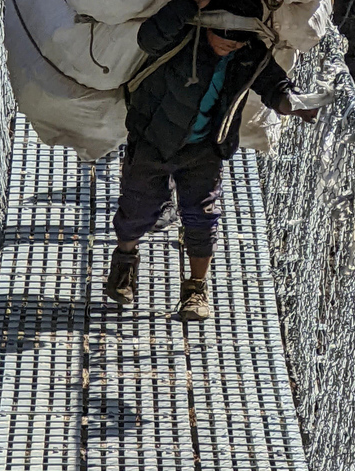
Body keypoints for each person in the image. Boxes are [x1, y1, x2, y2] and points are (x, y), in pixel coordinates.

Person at [105, 0, 319, 320]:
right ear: (206, 24)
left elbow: (273, 83)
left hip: (206, 147)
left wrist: (292, 102)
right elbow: (148, 39)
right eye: (223, 33)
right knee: (137, 207)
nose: (230, 42)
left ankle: (196, 289)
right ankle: (124, 261)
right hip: (152, 140)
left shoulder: (249, 53)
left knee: (202, 216)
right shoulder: (181, 36)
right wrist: (189, 3)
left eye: (239, 37)